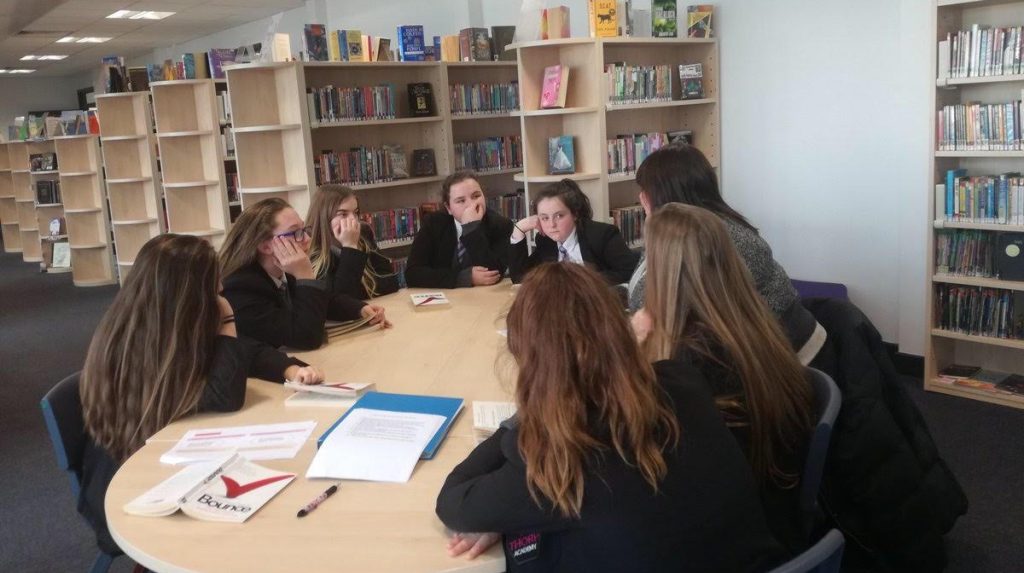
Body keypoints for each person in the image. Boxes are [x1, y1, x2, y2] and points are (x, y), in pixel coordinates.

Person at [436, 263, 786, 573]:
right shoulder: (682, 380)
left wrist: (531, 411)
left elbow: (454, 501)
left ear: (532, 367)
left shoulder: (557, 456)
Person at [78, 234, 324, 556]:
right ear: (187, 289)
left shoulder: (164, 320)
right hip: (134, 491)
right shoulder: (141, 346)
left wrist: (287, 368)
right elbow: (226, 395)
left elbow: (246, 350)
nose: (221, 288)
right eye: (213, 281)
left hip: (172, 461)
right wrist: (228, 318)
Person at [632, 203, 815, 553]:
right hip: (768, 507)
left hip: (731, 536)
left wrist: (630, 350)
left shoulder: (692, 358)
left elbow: (640, 442)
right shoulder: (751, 323)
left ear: (664, 272)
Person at [630, 143, 824, 364]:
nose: (641, 197)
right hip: (743, 352)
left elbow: (652, 306)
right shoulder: (699, 227)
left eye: (645, 192)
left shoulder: (719, 237)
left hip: (780, 359)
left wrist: (653, 222)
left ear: (664, 195)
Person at [219, 198, 388, 350]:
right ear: (265, 246)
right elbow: (307, 337)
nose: (307, 238)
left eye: (304, 229)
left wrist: (360, 309)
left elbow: (325, 300)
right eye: (295, 233)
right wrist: (305, 276)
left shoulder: (283, 271)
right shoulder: (240, 288)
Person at [509, 179, 638, 285]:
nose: (551, 225)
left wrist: (581, 282)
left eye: (559, 216)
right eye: (544, 218)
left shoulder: (601, 235)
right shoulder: (546, 241)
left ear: (575, 214)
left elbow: (629, 270)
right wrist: (519, 229)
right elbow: (520, 278)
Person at [405, 171, 514, 288]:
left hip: (483, 299)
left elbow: (493, 274)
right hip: (445, 298)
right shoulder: (433, 223)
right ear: (448, 208)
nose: (471, 205)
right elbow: (412, 274)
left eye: (476, 196)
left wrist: (471, 229)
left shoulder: (501, 225)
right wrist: (462, 278)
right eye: (461, 201)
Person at [306, 184, 401, 300]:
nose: (353, 219)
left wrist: (358, 289)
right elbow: (342, 299)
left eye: (355, 212)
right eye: (343, 214)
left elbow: (391, 281)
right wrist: (350, 247)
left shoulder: (363, 234)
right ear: (323, 217)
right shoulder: (313, 251)